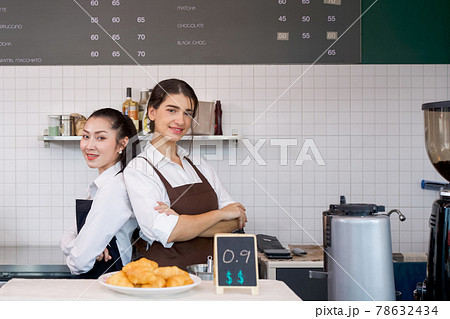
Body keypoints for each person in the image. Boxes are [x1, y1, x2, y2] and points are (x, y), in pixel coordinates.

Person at [124, 78, 247, 270]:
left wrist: (183, 222)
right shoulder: (139, 169)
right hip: (167, 281)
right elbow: (169, 232)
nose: (180, 121)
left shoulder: (198, 164)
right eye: (172, 110)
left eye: (187, 113)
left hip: (211, 275)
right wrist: (220, 214)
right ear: (152, 112)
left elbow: (236, 219)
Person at [60, 108, 139, 278]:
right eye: (86, 136)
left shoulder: (115, 188)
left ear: (123, 143)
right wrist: (87, 246)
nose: (89, 146)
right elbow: (67, 237)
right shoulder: (100, 186)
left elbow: (79, 262)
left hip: (108, 284)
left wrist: (83, 249)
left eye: (101, 138)